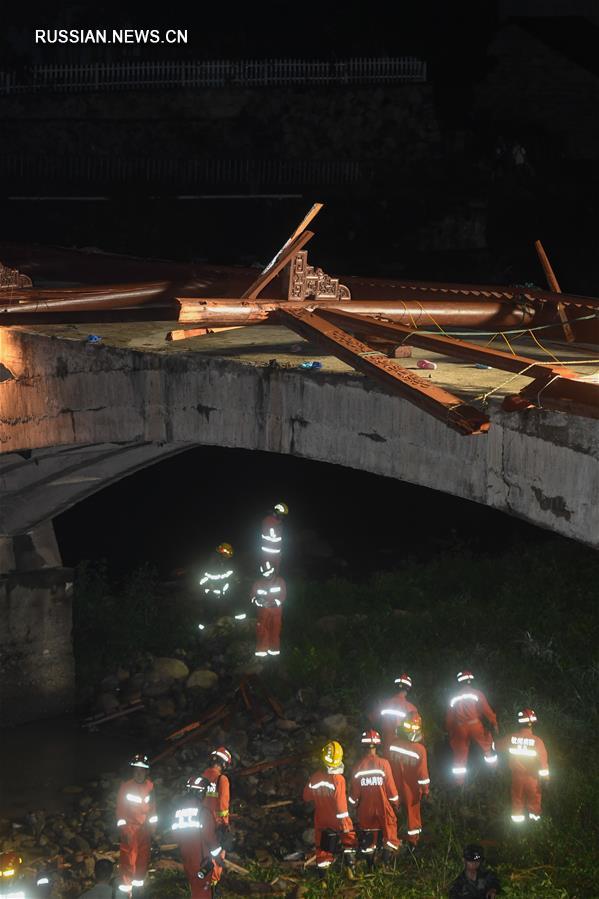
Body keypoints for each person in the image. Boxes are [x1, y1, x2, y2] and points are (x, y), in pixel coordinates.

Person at [302, 741, 357, 872]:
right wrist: (344, 823)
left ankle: (323, 878)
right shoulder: (338, 779)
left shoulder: (315, 777)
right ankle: (351, 869)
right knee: (349, 840)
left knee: (322, 846)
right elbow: (340, 803)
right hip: (337, 817)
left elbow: (306, 796)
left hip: (321, 818)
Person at [348, 729, 400, 859]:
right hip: (383, 806)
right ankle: (385, 863)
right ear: (377, 745)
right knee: (390, 830)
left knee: (369, 836)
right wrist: (395, 802)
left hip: (365, 809)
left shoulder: (358, 766)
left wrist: (353, 805)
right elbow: (391, 788)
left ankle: (370, 867)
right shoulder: (384, 764)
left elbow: (354, 794)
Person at [170, 776, 223, 898]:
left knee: (194, 888)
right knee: (203, 891)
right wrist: (218, 857)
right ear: (200, 792)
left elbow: (175, 835)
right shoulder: (203, 812)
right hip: (201, 860)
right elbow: (210, 839)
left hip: (186, 857)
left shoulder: (178, 812)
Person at [497, 708, 549, 824]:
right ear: (533, 724)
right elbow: (543, 763)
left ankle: (517, 831)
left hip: (516, 778)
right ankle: (535, 827)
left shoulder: (511, 738)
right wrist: (545, 779)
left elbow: (497, 746)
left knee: (517, 801)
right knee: (534, 802)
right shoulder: (537, 741)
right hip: (533, 779)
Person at [445, 671, 498, 785]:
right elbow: (487, 711)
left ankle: (459, 784)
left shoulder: (453, 697)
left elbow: (449, 718)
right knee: (487, 746)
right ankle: (494, 773)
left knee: (460, 755)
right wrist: (494, 723)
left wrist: (449, 730)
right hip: (475, 725)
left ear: (460, 682)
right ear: (471, 681)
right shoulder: (477, 694)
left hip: (460, 728)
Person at [116, 753, 157, 895]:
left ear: (146, 771)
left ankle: (138, 893)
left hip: (144, 830)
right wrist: (124, 830)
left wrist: (152, 829)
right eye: (136, 770)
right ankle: (126, 894)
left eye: (142, 770)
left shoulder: (150, 787)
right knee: (128, 863)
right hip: (130, 830)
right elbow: (120, 811)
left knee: (142, 863)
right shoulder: (126, 787)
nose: (139, 773)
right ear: (133, 771)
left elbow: (153, 809)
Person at [388, 712, 430, 847]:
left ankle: (392, 839)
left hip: (394, 787)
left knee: (394, 813)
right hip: (411, 790)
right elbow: (423, 775)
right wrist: (425, 791)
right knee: (413, 816)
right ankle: (413, 843)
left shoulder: (393, 744)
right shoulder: (419, 749)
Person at [250, 565, 287, 657]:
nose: (267, 576)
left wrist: (274, 603)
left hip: (276, 610)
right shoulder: (258, 583)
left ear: (273, 571)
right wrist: (258, 601)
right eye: (265, 574)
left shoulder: (280, 581)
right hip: (263, 610)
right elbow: (252, 596)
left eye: (269, 573)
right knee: (262, 629)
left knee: (275, 629)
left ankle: (274, 651)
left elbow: (283, 595)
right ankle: (262, 651)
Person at [379, 673, 419, 756]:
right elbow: (416, 735)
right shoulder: (412, 709)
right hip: (402, 752)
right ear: (408, 689)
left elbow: (374, 723)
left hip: (385, 747)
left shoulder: (384, 704)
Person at [198, 543, 235, 631]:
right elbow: (208, 578)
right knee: (209, 613)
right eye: (226, 554)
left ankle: (215, 629)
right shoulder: (213, 561)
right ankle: (205, 631)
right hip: (211, 594)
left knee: (217, 612)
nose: (227, 557)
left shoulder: (223, 563)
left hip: (219, 594)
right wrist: (210, 586)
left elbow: (226, 577)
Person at [202, 747, 232, 845]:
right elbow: (223, 804)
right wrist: (225, 824)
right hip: (214, 823)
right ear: (223, 764)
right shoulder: (222, 779)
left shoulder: (199, 778)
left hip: (198, 822)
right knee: (216, 855)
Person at [259, 502, 288, 573]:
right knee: (267, 572)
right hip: (268, 553)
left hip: (276, 553)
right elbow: (274, 535)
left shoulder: (279, 522)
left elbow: (280, 538)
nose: (282, 517)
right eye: (282, 515)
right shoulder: (268, 521)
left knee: (276, 572)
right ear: (277, 512)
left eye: (284, 516)